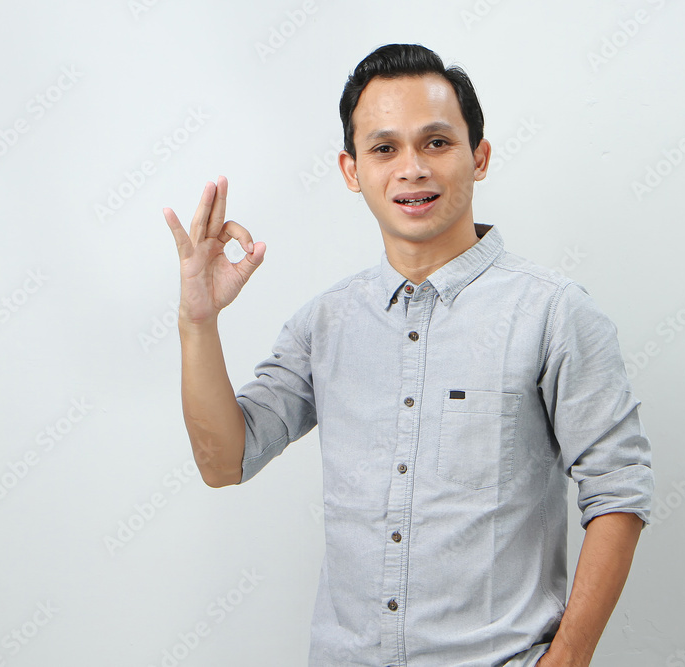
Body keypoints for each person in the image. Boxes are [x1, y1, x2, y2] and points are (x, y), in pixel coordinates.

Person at [163, 43, 654, 667]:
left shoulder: (553, 312)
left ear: (479, 157)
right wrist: (198, 322)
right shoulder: (325, 323)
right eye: (384, 148)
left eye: (437, 143)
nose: (411, 169)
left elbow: (618, 491)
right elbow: (223, 461)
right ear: (351, 170)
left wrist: (568, 659)